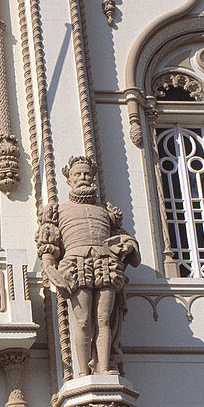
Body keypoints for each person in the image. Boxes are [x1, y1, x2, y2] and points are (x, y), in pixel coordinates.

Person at [39, 156, 139, 377]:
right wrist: (51, 269)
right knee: (84, 322)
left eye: (86, 174)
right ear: (69, 179)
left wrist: (129, 247)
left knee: (104, 320)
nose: (83, 178)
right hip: (75, 265)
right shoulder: (59, 210)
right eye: (78, 174)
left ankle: (104, 367)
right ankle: (83, 372)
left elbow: (124, 238)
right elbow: (49, 246)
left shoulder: (106, 211)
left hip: (106, 264)